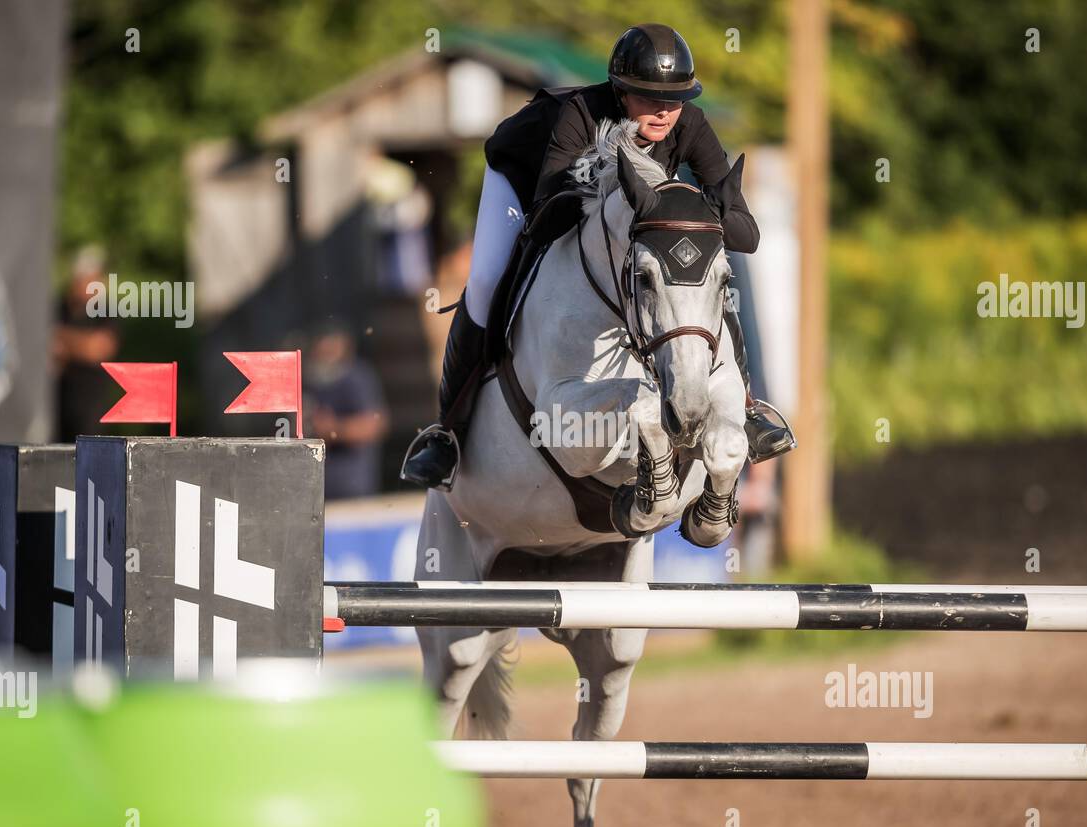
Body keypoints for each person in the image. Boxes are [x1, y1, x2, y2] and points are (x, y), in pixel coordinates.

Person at [401, 22, 794, 489]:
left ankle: (745, 406)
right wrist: (613, 190)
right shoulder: (580, 114)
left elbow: (745, 235)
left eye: (676, 99)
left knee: (702, 280)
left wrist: (700, 210)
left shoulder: (690, 123)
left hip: (623, 214)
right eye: (650, 98)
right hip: (523, 182)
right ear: (621, 92)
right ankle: (447, 432)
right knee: (487, 279)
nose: (666, 111)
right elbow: (547, 216)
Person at [304, 318, 390, 499]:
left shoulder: (357, 377)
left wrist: (334, 429)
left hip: (351, 488)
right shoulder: (307, 379)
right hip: (310, 489)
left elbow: (374, 425)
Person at [53, 246, 119, 442]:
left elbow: (99, 348)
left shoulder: (106, 310)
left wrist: (64, 339)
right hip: (59, 405)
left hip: (92, 407)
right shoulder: (60, 307)